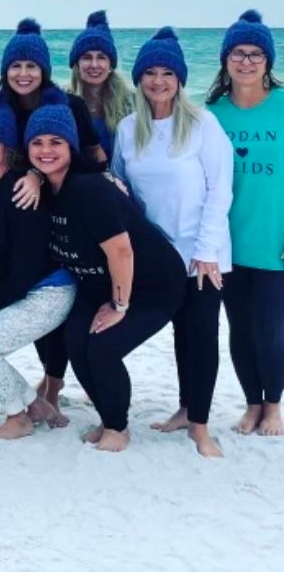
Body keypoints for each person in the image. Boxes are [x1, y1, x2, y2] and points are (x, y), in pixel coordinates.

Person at [27, 89, 185, 453]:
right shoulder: (48, 188)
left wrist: (120, 306)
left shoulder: (89, 188)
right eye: (37, 142)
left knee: (103, 347)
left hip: (151, 285)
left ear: (71, 146)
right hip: (98, 282)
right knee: (74, 342)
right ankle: (107, 414)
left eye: (56, 142)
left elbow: (121, 251)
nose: (46, 149)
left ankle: (118, 427)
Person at [112, 27, 232, 457]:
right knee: (177, 336)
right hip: (155, 255)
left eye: (167, 73)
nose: (158, 81)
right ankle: (184, 409)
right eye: (150, 73)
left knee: (200, 334)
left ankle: (200, 424)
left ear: (180, 79)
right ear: (139, 78)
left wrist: (205, 250)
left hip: (202, 252)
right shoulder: (128, 129)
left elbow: (221, 190)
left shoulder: (203, 124)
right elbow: (121, 190)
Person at [0, 90, 77, 439]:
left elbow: (25, 268)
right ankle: (34, 403)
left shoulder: (22, 195)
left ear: (7, 148)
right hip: (26, 290)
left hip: (47, 293)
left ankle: (18, 417)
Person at [0, 17, 102, 411]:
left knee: (58, 298)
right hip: (20, 218)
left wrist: (40, 176)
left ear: (44, 69)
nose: (23, 74)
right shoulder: (1, 106)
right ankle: (48, 377)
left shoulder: (67, 104)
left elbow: (92, 155)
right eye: (16, 66)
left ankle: (54, 385)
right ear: (5, 70)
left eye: (31, 66)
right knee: (34, 294)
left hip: (62, 214)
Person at [206, 9, 284, 437]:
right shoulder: (212, 113)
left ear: (268, 61)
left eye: (256, 53)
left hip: (274, 241)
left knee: (270, 330)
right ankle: (252, 403)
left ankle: (274, 405)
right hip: (226, 245)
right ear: (226, 59)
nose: (247, 61)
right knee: (238, 329)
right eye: (239, 52)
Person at [67, 11, 134, 160]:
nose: (94, 65)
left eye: (101, 57)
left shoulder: (132, 103)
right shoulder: (63, 100)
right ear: (77, 64)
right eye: (87, 57)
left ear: (111, 65)